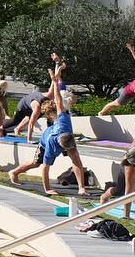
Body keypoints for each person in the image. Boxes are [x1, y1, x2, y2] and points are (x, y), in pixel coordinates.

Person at [8, 63, 90, 196]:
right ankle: (14, 172)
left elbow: (58, 100)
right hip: (46, 141)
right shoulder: (52, 144)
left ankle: (82, 187)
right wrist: (47, 189)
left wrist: (55, 80)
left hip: (65, 136)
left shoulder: (64, 121)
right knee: (37, 163)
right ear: (59, 145)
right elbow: (45, 169)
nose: (68, 151)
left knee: (76, 159)